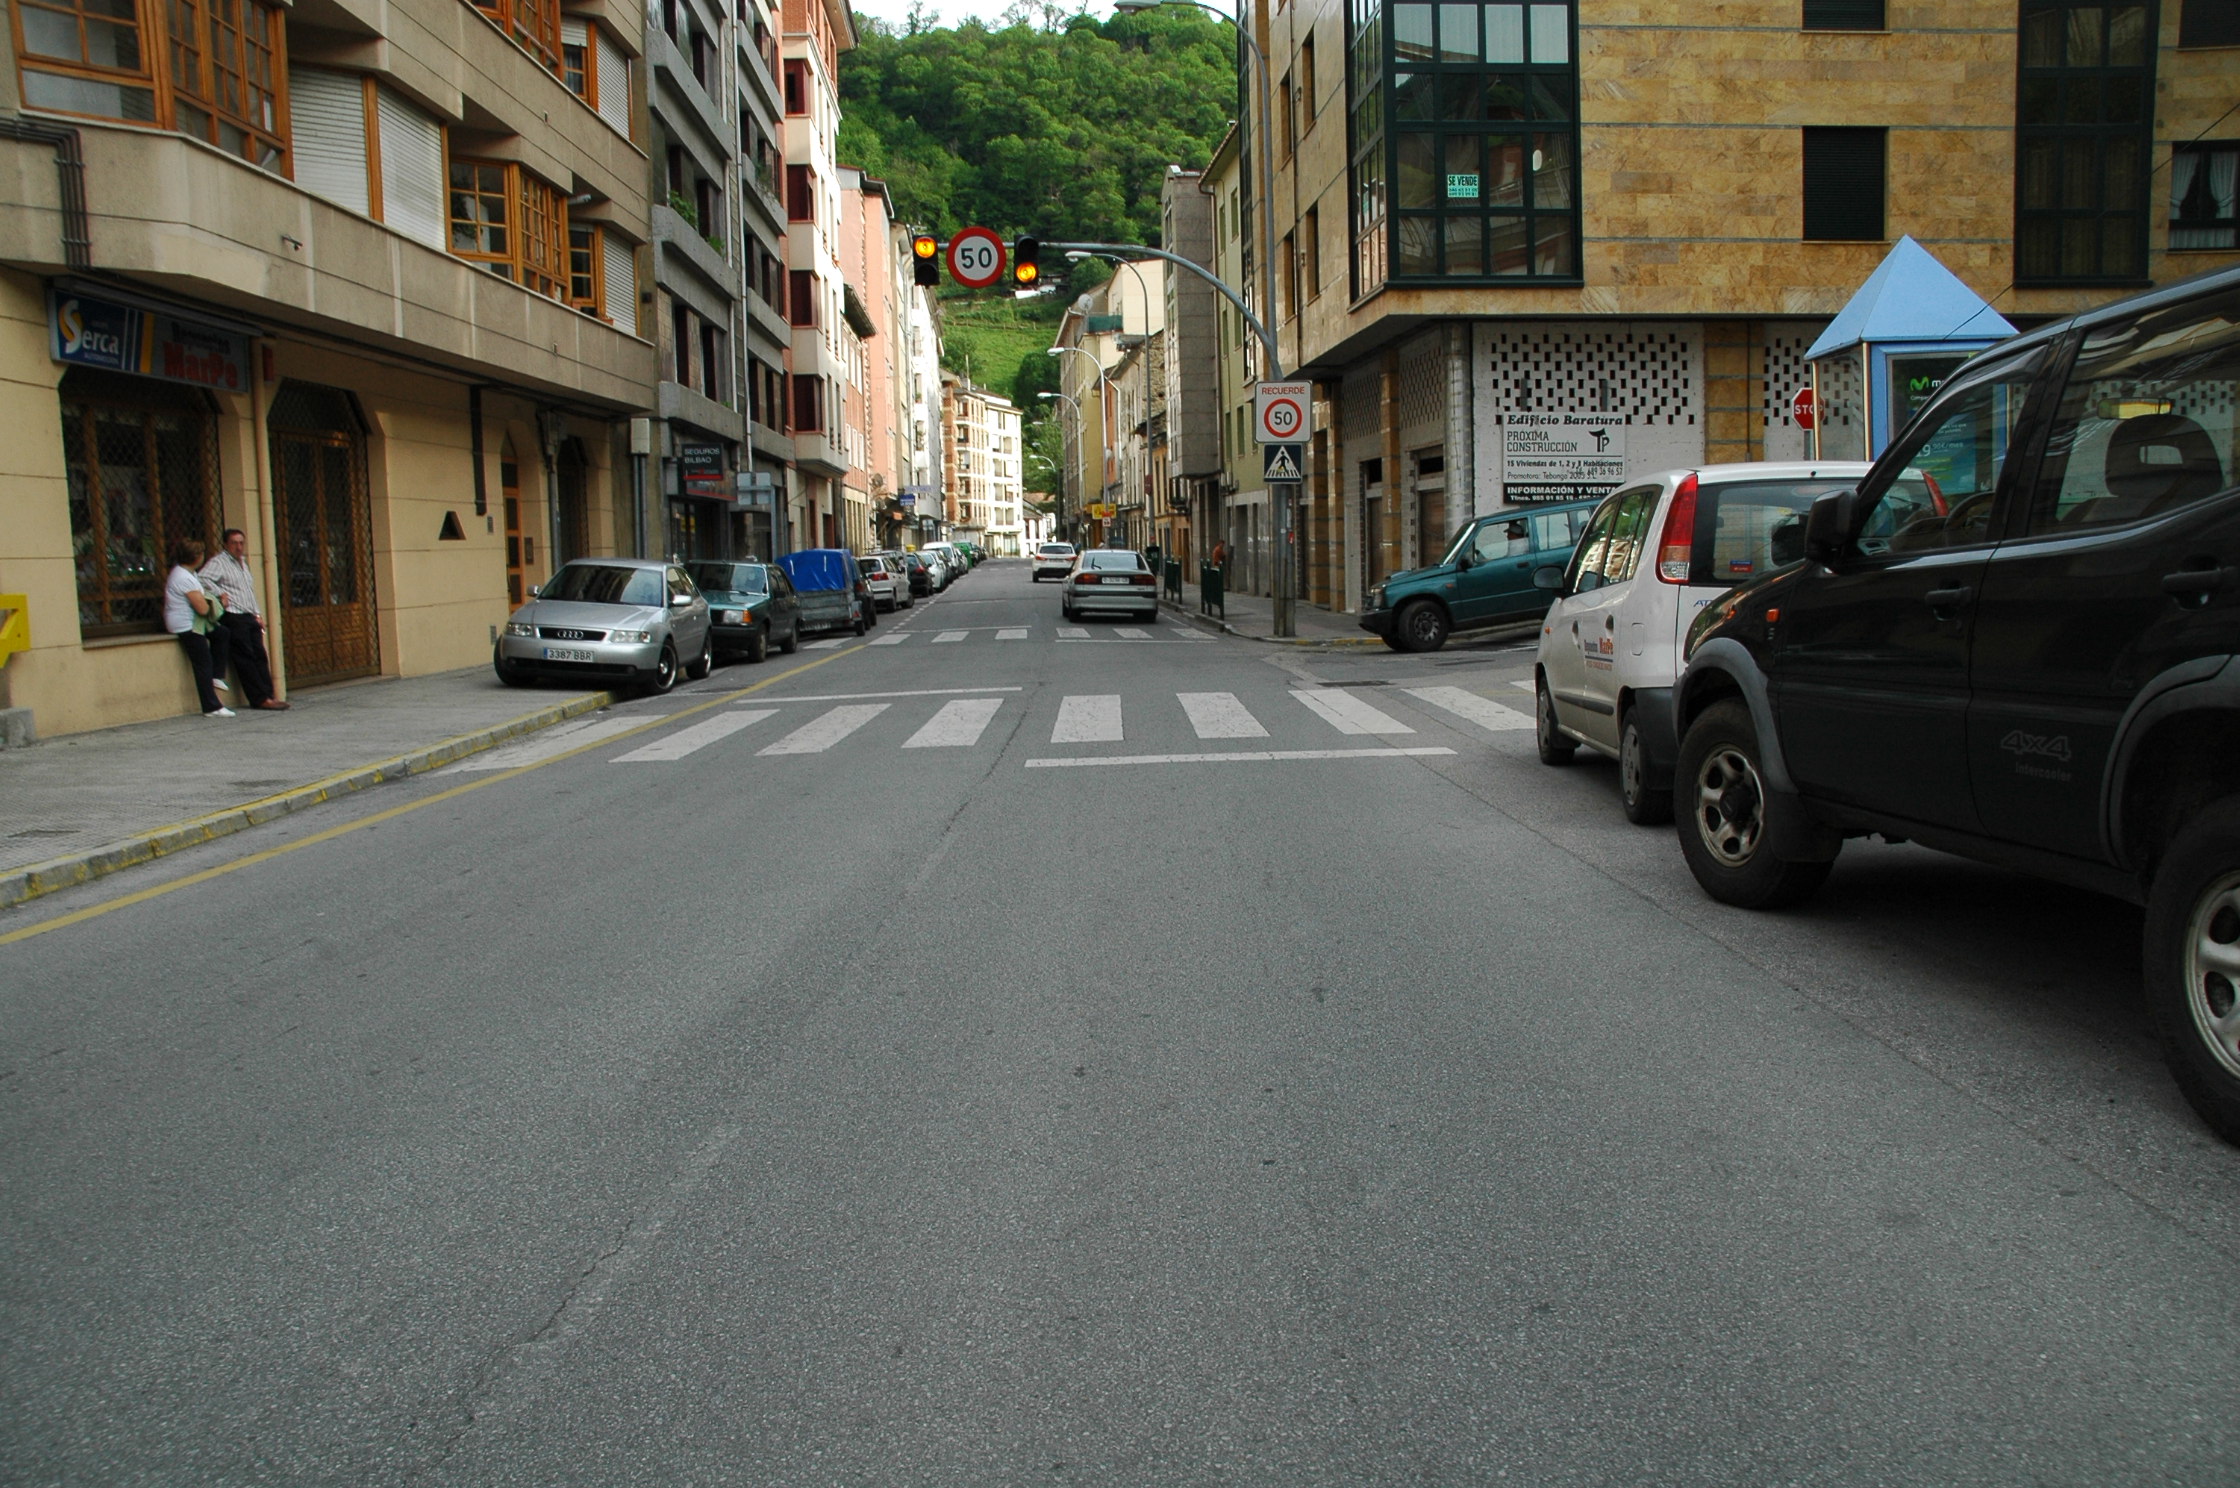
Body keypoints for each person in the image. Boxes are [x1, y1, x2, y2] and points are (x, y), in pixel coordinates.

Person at [199, 527, 287, 710]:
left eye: (241, 543)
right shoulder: (219, 562)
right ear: (226, 544)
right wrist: (219, 593)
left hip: (248, 614)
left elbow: (249, 592)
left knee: (260, 655)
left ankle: (269, 694)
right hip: (233, 614)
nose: (239, 547)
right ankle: (259, 698)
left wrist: (257, 614)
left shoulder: (243, 563)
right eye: (234, 543)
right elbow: (202, 579)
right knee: (245, 656)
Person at [164, 539, 232, 718]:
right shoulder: (183, 577)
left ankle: (217, 676)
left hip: (194, 623)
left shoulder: (189, 573)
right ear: (196, 557)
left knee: (222, 634)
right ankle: (211, 706)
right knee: (203, 663)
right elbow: (202, 608)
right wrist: (219, 604)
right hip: (187, 626)